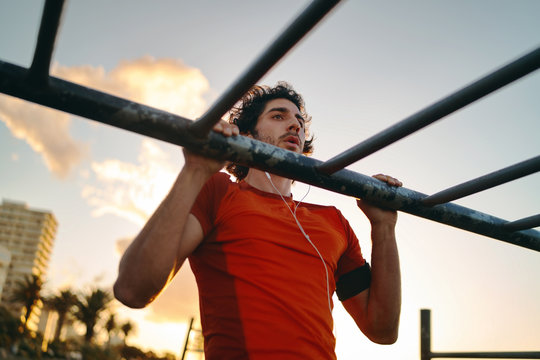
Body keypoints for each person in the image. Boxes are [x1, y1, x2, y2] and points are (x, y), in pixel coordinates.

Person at [114, 82, 402, 359]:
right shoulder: (219, 191)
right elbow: (133, 290)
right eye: (279, 116)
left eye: (300, 121)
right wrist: (195, 170)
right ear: (249, 136)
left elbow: (382, 330)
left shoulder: (333, 220)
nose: (295, 125)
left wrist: (384, 227)